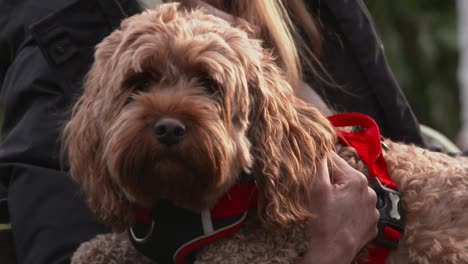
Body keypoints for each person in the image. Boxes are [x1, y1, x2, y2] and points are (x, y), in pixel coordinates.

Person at [0, 0, 423, 263]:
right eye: (143, 84)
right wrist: (330, 250)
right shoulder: (66, 30)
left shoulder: (314, 14)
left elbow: (411, 150)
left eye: (208, 87)